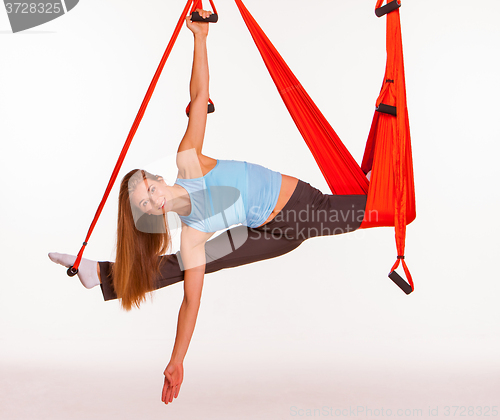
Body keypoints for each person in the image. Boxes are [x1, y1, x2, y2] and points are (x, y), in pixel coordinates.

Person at [49, 9, 367, 405]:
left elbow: (199, 97)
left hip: (299, 207)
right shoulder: (193, 234)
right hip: (269, 234)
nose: (152, 197)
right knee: (194, 263)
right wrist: (177, 359)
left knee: (368, 212)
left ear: (159, 178)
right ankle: (103, 274)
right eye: (145, 203)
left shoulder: (189, 162)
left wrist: (199, 38)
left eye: (148, 186)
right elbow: (191, 303)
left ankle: (105, 275)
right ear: (151, 214)